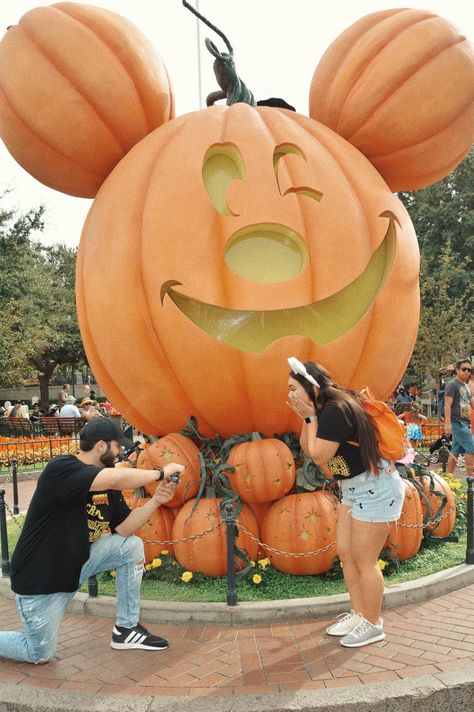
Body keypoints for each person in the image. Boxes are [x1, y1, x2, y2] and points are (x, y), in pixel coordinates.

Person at [0, 417, 185, 664]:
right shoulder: (62, 468)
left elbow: (125, 528)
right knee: (38, 653)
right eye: (117, 446)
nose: (121, 451)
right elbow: (115, 478)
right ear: (101, 446)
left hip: (77, 564)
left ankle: (126, 630)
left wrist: (156, 501)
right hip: (42, 580)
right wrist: (161, 472)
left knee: (131, 547)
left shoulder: (108, 485)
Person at [286, 357, 404, 648]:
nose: (288, 395)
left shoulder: (336, 411)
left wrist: (310, 418)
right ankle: (360, 613)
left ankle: (373, 623)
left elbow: (319, 456)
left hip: (375, 489)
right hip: (352, 488)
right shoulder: (324, 409)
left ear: (310, 388)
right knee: (346, 554)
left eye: (292, 388)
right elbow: (307, 445)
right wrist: (307, 417)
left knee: (365, 560)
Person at [444, 359, 474, 477]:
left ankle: (448, 477)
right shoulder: (452, 384)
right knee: (472, 448)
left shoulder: (467, 386)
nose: (467, 372)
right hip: (457, 422)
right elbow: (447, 405)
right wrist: (447, 423)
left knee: (455, 451)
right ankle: (471, 480)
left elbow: (471, 402)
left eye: (469, 370)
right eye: (464, 369)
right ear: (457, 370)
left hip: (465, 422)